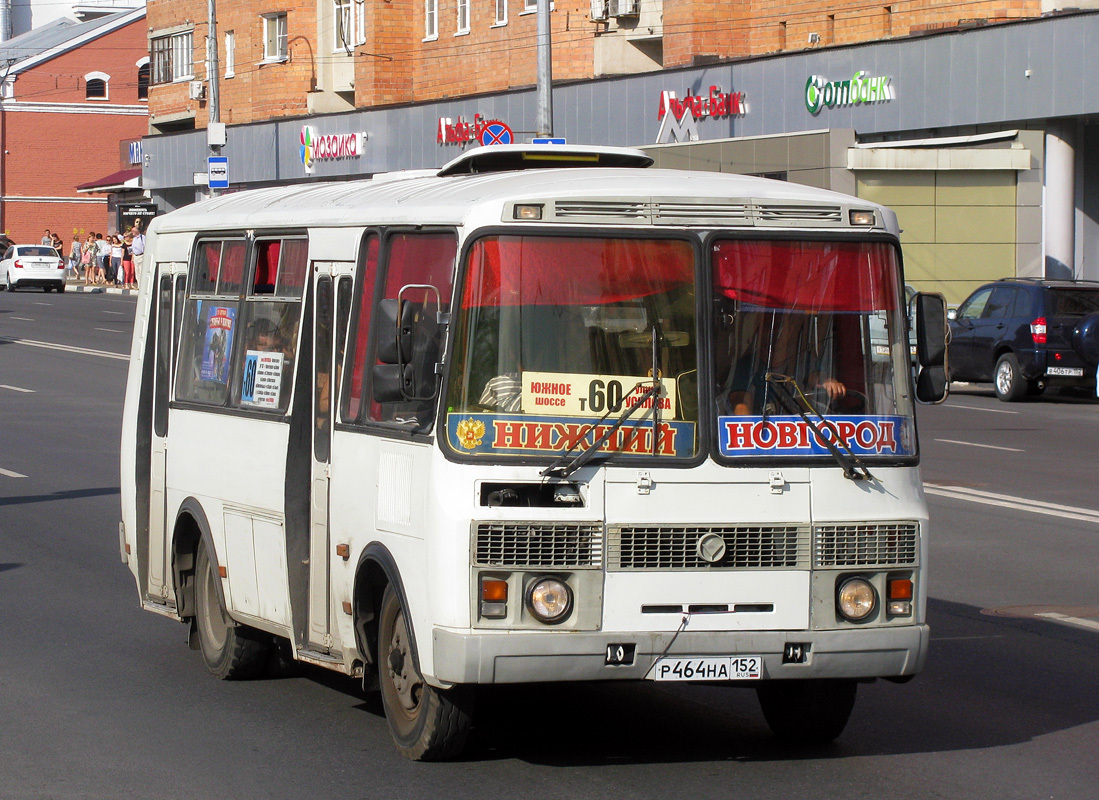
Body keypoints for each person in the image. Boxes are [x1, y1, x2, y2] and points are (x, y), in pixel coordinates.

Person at [719, 310, 846, 416]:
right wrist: (749, 433)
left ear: (790, 330)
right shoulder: (746, 366)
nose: (772, 334)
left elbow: (817, 376)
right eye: (767, 327)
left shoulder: (802, 361)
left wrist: (828, 382)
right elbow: (741, 404)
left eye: (778, 327)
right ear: (759, 331)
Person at [130, 221, 145, 285]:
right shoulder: (134, 239)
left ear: (136, 231)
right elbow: (133, 248)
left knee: (141, 270)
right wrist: (132, 257)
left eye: (133, 231)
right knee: (137, 271)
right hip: (135, 256)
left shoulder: (142, 237)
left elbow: (145, 246)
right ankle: (139, 285)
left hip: (141, 255)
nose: (132, 233)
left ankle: (142, 285)